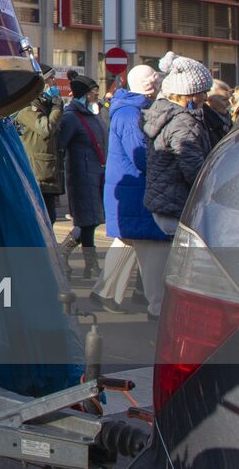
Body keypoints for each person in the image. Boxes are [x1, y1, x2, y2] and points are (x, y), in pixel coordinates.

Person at [91, 65, 169, 316]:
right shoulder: (131, 113)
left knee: (127, 240)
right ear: (151, 86)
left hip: (129, 187)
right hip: (135, 188)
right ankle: (157, 305)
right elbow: (142, 157)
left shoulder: (128, 110)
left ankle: (104, 291)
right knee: (149, 246)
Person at [143, 57, 214, 242]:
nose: (206, 97)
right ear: (187, 94)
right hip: (178, 204)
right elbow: (194, 169)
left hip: (165, 202)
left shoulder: (162, 113)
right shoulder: (183, 121)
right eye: (202, 92)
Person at [56, 73, 107, 278]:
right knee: (87, 220)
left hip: (96, 173)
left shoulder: (93, 115)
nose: (97, 96)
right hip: (81, 175)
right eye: (94, 93)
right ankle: (69, 255)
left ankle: (89, 265)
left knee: (92, 220)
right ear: (85, 95)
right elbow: (60, 146)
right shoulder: (71, 117)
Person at [14, 70, 63, 223]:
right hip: (36, 174)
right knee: (42, 220)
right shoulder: (26, 107)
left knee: (50, 218)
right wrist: (57, 108)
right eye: (51, 79)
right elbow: (45, 128)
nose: (54, 83)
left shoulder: (44, 105)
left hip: (47, 174)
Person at [203, 79, 233, 145]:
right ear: (209, 99)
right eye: (224, 99)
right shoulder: (204, 122)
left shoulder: (225, 119)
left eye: (229, 99)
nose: (229, 103)